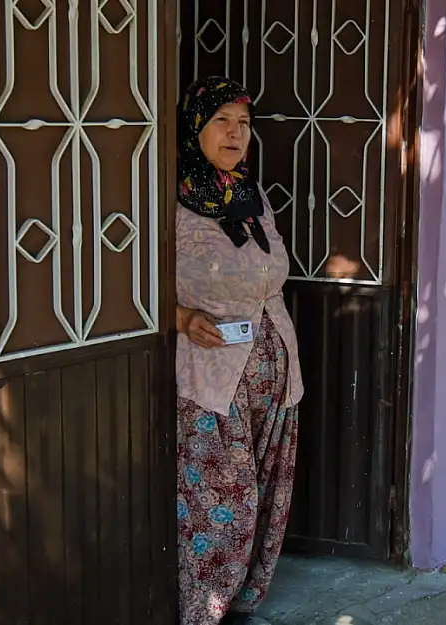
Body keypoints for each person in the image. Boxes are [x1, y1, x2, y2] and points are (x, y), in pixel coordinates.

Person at [174, 76, 304, 625]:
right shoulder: (169, 199)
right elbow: (129, 281)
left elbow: (271, 270)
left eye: (244, 123)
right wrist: (180, 317)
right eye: (222, 121)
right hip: (212, 377)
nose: (235, 134)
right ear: (194, 128)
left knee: (267, 496)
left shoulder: (250, 195)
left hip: (276, 368)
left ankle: (243, 603)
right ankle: (204, 609)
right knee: (223, 501)